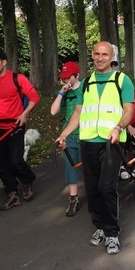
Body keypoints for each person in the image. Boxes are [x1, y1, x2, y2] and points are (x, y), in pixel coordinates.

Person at [55, 41, 135, 255]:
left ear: (112, 57)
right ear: (92, 56)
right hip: (88, 142)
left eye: (104, 55)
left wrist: (118, 128)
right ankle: (99, 226)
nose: (100, 58)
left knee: (106, 187)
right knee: (92, 189)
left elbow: (129, 111)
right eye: (97, 54)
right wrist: (64, 133)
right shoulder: (87, 83)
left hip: (111, 143)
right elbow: (78, 113)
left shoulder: (122, 80)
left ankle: (112, 233)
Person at [0, 48, 41, 211]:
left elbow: (35, 97)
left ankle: (28, 180)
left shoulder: (17, 78)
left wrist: (25, 113)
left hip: (15, 126)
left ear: (4, 62)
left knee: (16, 161)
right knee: (2, 164)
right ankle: (12, 193)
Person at [50, 62, 82, 217]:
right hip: (68, 135)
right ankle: (73, 198)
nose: (65, 81)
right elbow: (53, 111)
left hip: (86, 134)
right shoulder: (65, 91)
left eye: (68, 78)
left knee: (90, 165)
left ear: (77, 75)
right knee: (71, 166)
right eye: (63, 78)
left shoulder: (85, 89)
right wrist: (61, 93)